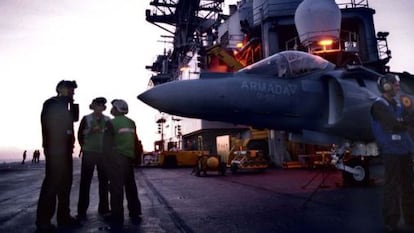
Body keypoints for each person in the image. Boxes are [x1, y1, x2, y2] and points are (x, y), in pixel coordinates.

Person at [370, 74, 414, 232]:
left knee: (409, 185)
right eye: (395, 85)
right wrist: (404, 121)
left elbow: (410, 120)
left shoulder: (398, 104)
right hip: (391, 150)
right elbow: (393, 124)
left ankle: (411, 218)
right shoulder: (378, 105)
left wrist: (406, 117)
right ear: (386, 86)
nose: (397, 87)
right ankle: (391, 221)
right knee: (392, 187)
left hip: (405, 149)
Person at [36, 80, 80, 232]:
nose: (72, 92)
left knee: (65, 185)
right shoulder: (53, 103)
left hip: (66, 150)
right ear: (60, 89)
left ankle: (64, 217)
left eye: (73, 90)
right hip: (56, 151)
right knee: (52, 185)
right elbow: (52, 127)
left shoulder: (65, 105)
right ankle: (43, 222)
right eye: (70, 89)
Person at [103, 99, 142, 229]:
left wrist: (106, 162)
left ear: (117, 109)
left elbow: (106, 145)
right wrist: (136, 158)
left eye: (113, 107)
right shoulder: (131, 123)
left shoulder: (111, 123)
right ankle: (135, 212)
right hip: (129, 159)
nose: (111, 109)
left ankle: (117, 217)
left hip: (116, 159)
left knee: (116, 189)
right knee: (131, 186)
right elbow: (135, 142)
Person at [77, 97, 111, 220]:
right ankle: (82, 210)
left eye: (102, 105)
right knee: (85, 183)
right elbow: (80, 135)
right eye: (98, 104)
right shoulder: (86, 119)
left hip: (103, 154)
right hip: (89, 153)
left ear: (103, 107)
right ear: (93, 106)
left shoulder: (108, 120)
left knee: (104, 182)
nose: (100, 107)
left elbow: (111, 137)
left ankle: (104, 208)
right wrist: (86, 143)